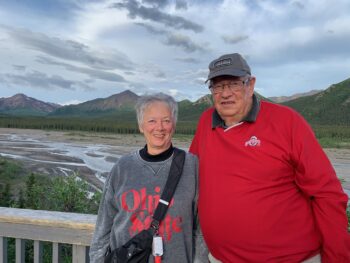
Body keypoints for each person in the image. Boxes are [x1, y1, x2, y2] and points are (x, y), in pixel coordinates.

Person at [190, 53, 350, 263]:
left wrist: (338, 257)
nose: (225, 93)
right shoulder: (206, 122)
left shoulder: (287, 122)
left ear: (251, 84)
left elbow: (327, 194)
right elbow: (189, 172)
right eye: (218, 86)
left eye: (234, 84)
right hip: (221, 258)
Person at [90, 93, 208, 263]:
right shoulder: (122, 167)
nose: (159, 127)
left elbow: (202, 228)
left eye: (166, 120)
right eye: (152, 121)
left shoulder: (192, 166)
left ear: (173, 125)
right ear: (141, 126)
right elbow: (103, 227)